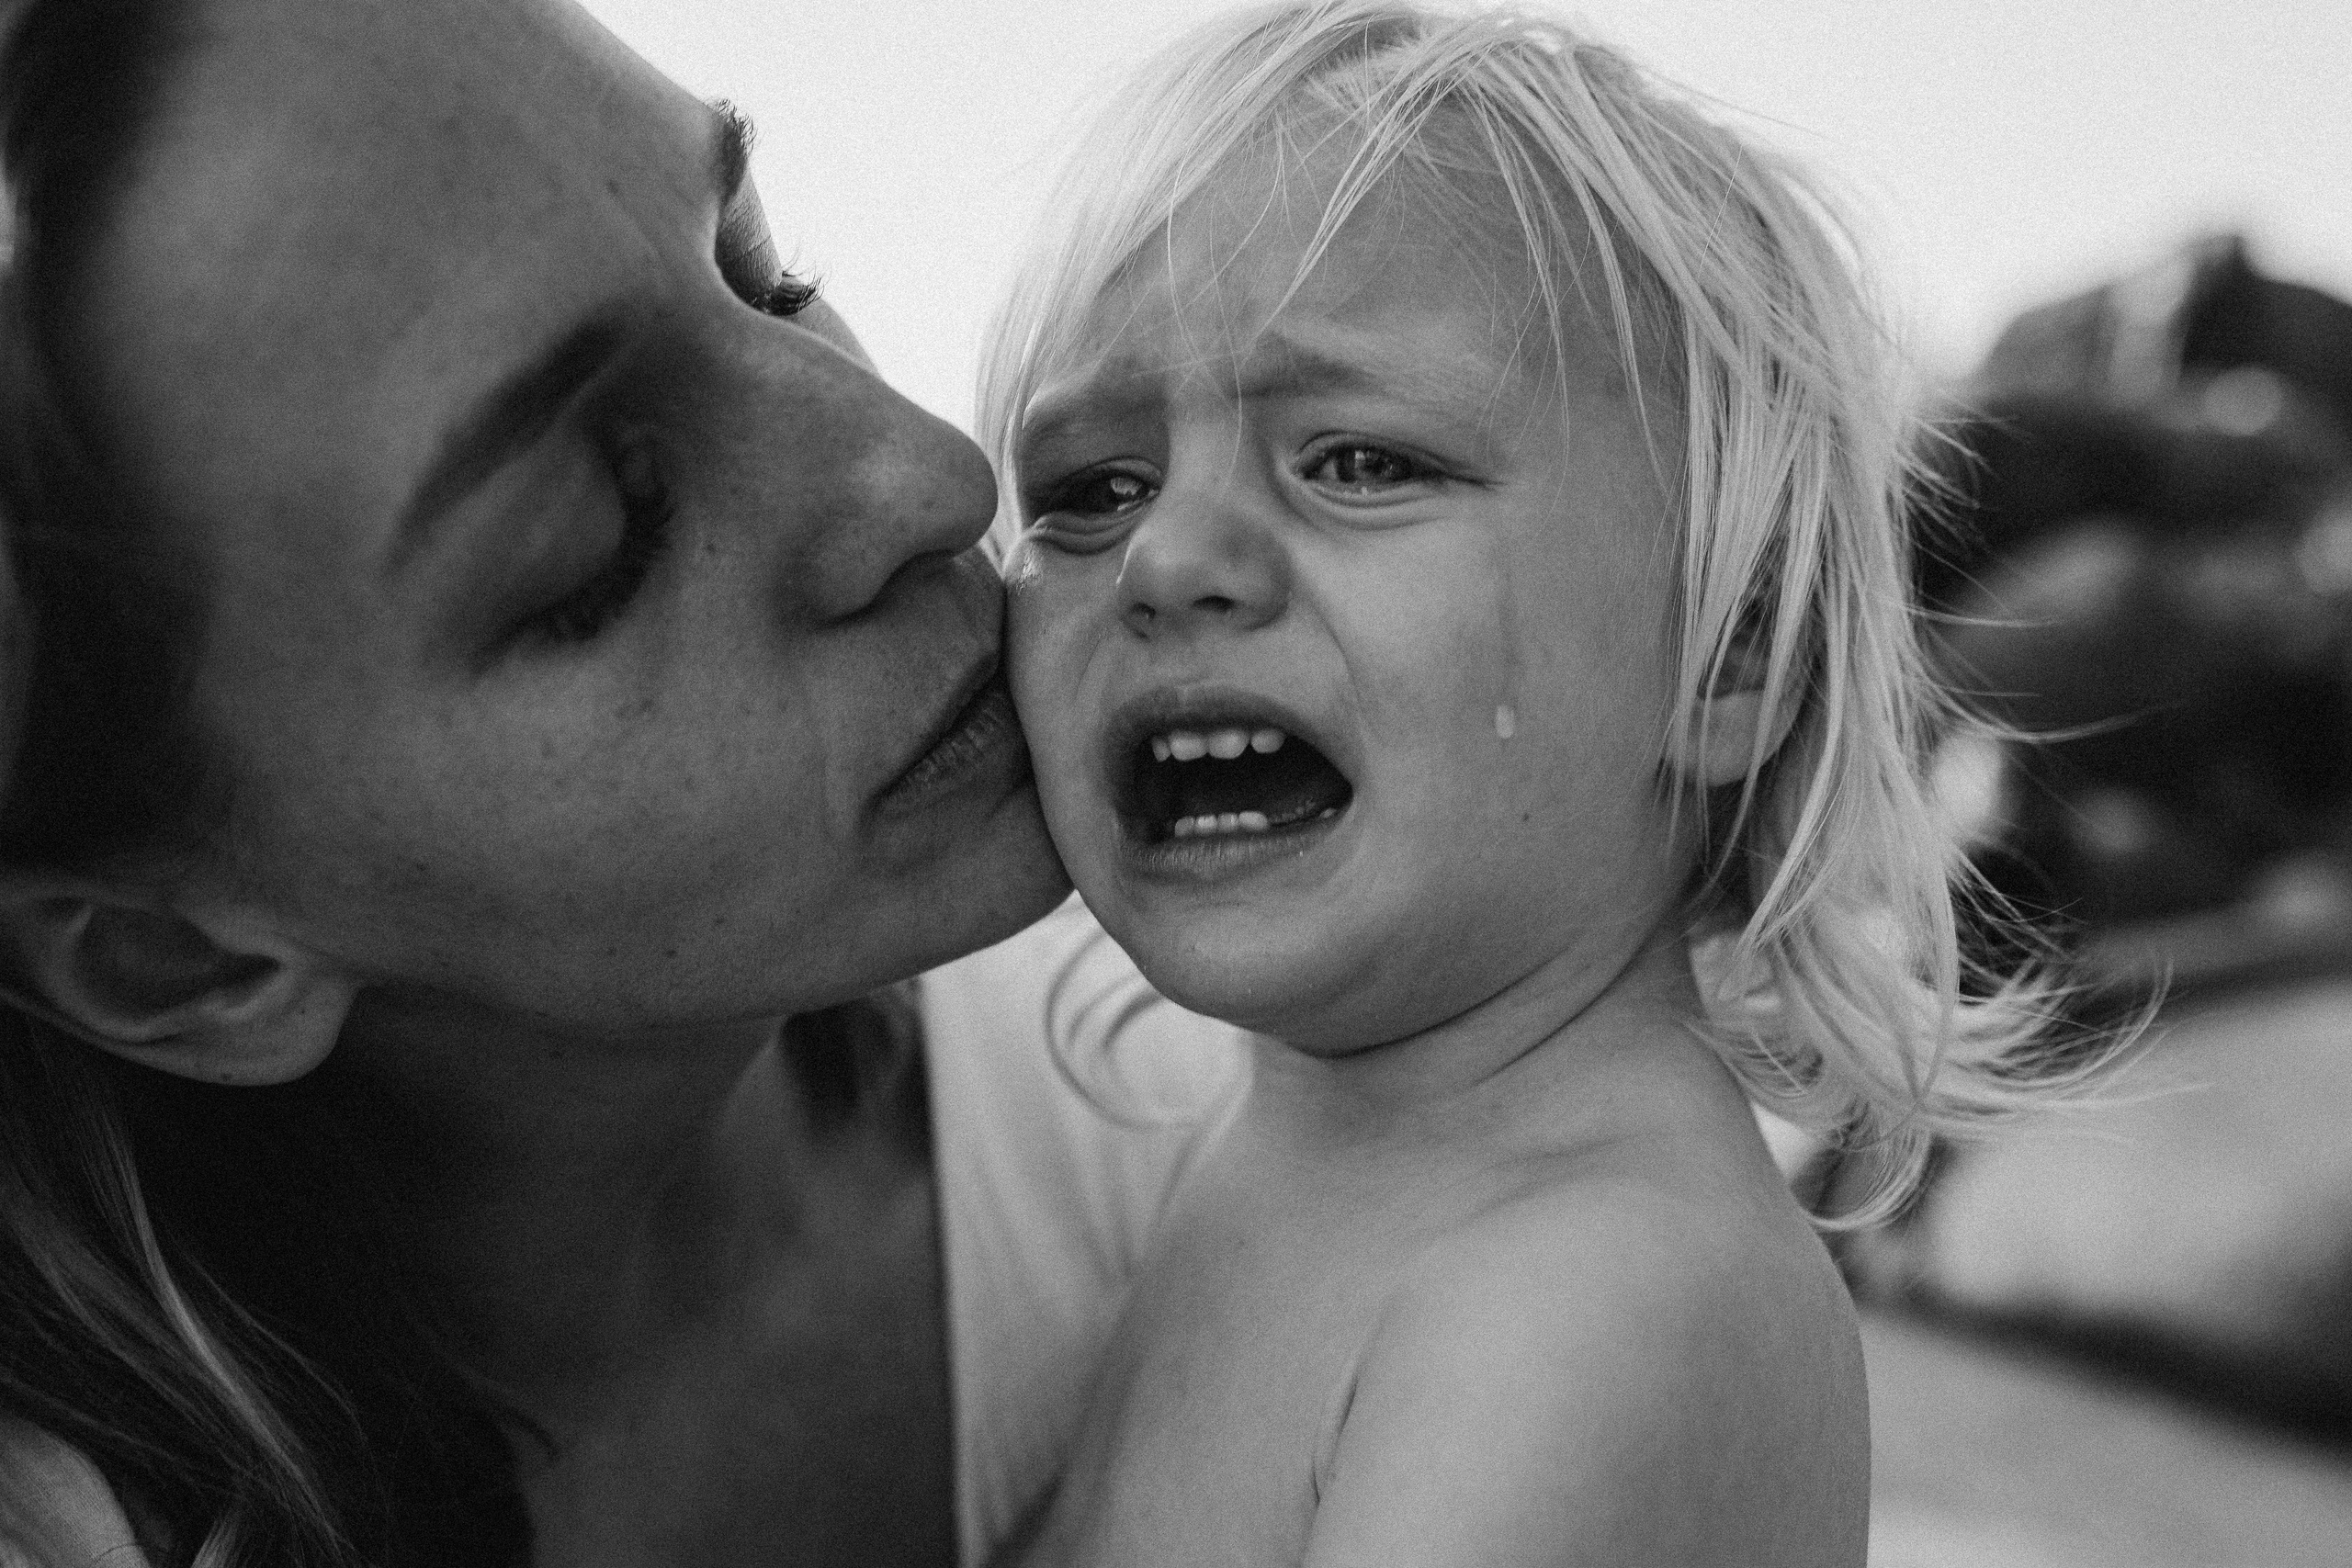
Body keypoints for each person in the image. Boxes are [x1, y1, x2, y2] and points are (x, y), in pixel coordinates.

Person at [0, 0, 1238, 1563]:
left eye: (765, 275)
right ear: (178, 958)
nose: (934, 474)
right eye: (598, 547)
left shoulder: (1311, 1076)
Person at [979, 4, 2083, 1562]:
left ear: (1730, 654)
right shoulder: (1318, 1148)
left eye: (1357, 462)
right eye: (1090, 492)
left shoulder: (1593, 1302)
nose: (1167, 559)